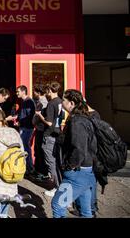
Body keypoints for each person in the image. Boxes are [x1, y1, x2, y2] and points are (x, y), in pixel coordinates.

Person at [51, 89, 97, 218]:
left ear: (71, 103)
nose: (61, 102)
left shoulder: (77, 121)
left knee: (58, 204)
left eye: (63, 100)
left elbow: (79, 148)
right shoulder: (84, 117)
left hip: (77, 172)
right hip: (87, 170)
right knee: (85, 210)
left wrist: (69, 166)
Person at [34, 82, 64, 197]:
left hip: (50, 134)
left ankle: (57, 187)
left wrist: (39, 115)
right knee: (56, 162)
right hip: (57, 134)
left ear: (49, 91)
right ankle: (59, 185)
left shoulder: (51, 103)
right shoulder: (60, 101)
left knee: (50, 162)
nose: (46, 93)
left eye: (47, 91)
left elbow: (49, 122)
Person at [15, 85, 36, 174]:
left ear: (23, 92)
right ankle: (28, 167)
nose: (17, 93)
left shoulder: (28, 102)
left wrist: (21, 122)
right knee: (24, 146)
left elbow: (29, 116)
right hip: (25, 127)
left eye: (18, 91)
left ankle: (29, 167)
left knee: (25, 146)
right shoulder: (24, 101)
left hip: (27, 128)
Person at [32, 84, 49, 179]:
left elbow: (40, 116)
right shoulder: (40, 102)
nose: (33, 93)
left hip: (41, 129)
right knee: (37, 150)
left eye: (34, 91)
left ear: (38, 92)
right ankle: (39, 171)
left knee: (40, 150)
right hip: (39, 128)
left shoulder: (43, 103)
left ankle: (42, 172)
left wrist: (34, 121)